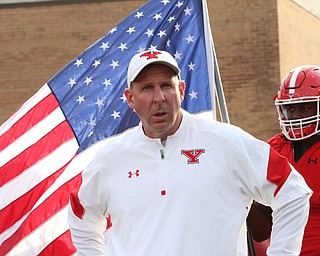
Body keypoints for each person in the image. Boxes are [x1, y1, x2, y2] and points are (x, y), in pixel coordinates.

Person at [68, 50, 312, 255]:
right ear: (130, 98)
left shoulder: (225, 141)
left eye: (167, 86)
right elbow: (82, 216)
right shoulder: (110, 158)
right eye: (147, 89)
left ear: (182, 90)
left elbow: (292, 191)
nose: (159, 98)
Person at [247, 65, 320, 255]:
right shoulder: (272, 149)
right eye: (290, 108)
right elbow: (263, 232)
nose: (296, 115)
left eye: (304, 107)